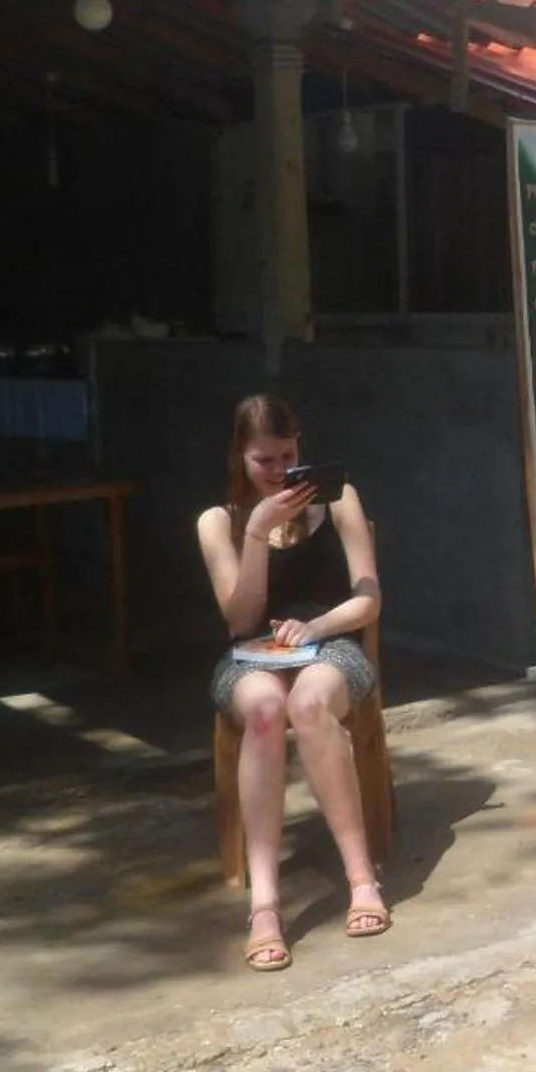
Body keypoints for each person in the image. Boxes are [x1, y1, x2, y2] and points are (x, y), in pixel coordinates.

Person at [196, 394, 389, 972]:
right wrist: (256, 536)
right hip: (252, 653)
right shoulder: (218, 522)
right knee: (262, 713)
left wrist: (319, 626)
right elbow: (240, 619)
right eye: (264, 461)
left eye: (288, 455)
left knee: (308, 706)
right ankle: (265, 905)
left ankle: (361, 879)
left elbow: (369, 598)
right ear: (240, 457)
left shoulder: (341, 501)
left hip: (329, 642)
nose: (280, 471)